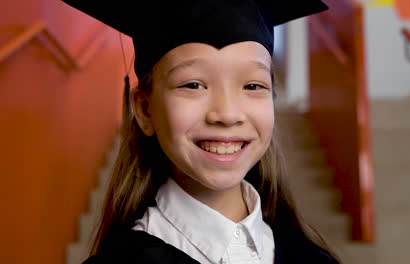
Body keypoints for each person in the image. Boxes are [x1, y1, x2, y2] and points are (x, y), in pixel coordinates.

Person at [62, 0, 339, 263]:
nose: (227, 114)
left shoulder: (311, 259)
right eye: (193, 85)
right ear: (145, 110)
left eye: (253, 86)